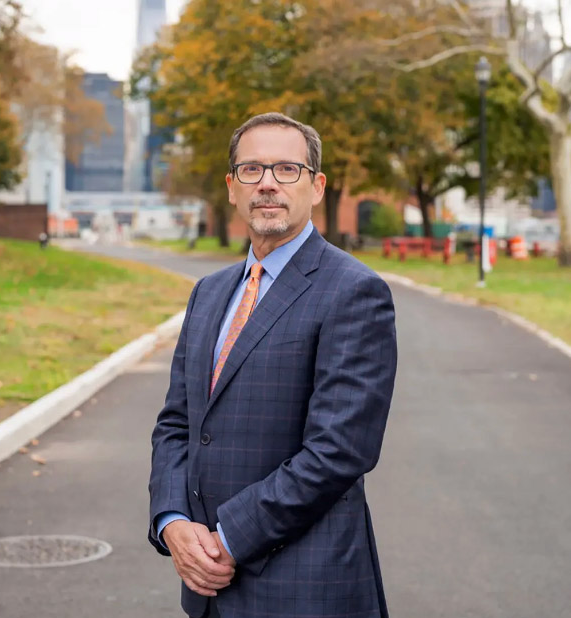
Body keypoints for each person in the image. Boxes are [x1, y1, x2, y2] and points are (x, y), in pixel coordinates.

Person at [147, 112, 398, 618]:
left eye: (287, 170)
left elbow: (338, 451)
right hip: (207, 589)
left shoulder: (354, 292)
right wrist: (172, 521)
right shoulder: (209, 293)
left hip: (305, 588)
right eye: (251, 170)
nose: (267, 184)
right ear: (232, 188)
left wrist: (226, 539)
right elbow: (177, 423)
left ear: (317, 186)